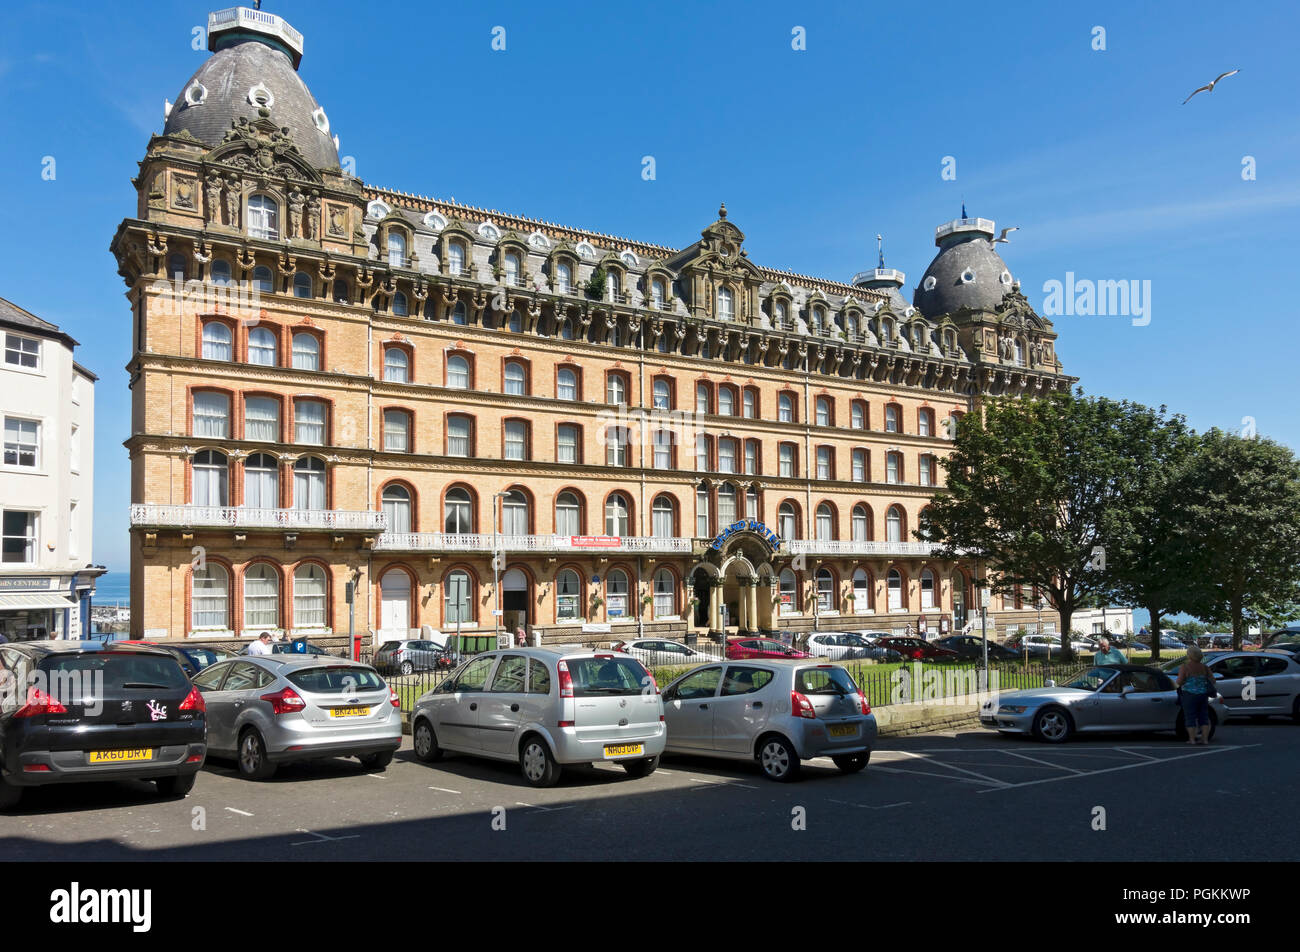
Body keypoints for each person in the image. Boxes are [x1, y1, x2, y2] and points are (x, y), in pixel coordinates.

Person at [1175, 645, 1215, 745]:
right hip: (1203, 695)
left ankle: (1192, 739)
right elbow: (1213, 680)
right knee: (1204, 717)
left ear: (1189, 655)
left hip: (1189, 695)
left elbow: (1179, 682)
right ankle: (1205, 739)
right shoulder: (1205, 667)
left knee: (1190, 717)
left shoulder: (1185, 667)